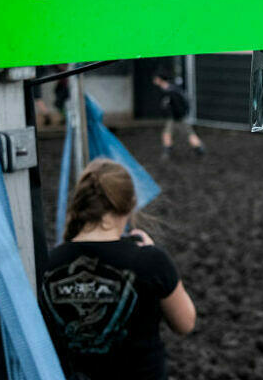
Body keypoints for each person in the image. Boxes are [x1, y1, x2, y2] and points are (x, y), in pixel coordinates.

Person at [40, 159, 196, 380]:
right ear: (130, 204)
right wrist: (154, 257)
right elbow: (185, 323)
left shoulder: (48, 263)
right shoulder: (150, 261)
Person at [153, 72, 204, 159]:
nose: (154, 80)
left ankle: (200, 149)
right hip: (174, 117)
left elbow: (178, 105)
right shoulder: (168, 89)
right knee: (167, 133)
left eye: (156, 78)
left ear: (160, 80)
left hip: (178, 117)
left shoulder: (171, 91)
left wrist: (178, 115)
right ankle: (167, 151)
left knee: (188, 134)